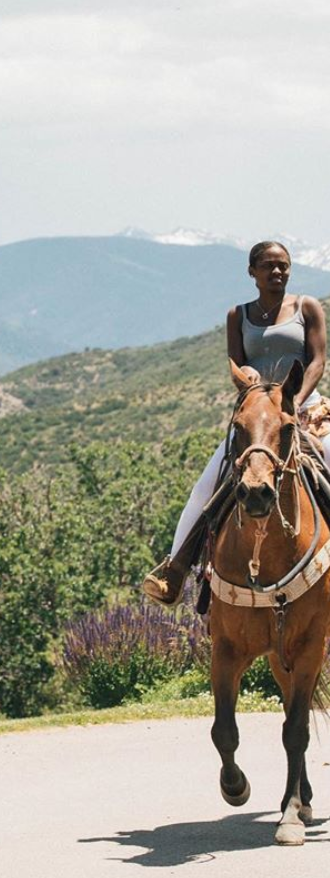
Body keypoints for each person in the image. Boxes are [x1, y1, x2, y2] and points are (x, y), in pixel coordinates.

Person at [142, 240, 330, 605]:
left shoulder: (307, 307)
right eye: (269, 266)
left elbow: (317, 361)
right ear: (252, 272)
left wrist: (290, 400)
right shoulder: (237, 316)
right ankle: (175, 573)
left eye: (283, 266)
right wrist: (250, 383)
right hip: (257, 418)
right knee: (205, 487)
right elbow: (236, 363)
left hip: (305, 408)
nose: (278, 272)